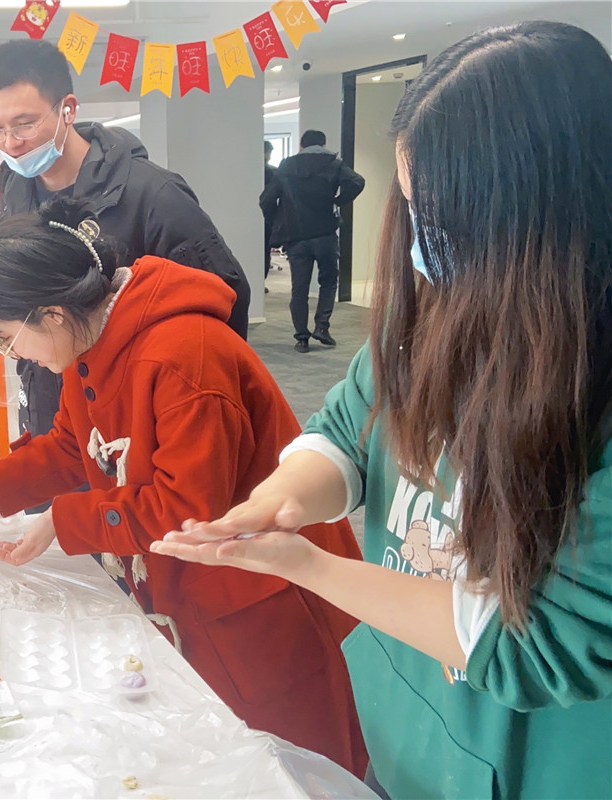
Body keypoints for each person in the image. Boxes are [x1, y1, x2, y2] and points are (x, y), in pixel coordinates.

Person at [156, 22, 612, 799]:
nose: (420, 247)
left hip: (520, 757)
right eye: (412, 209)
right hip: (406, 717)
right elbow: (345, 424)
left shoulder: (586, 394)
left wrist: (311, 567)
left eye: (441, 217)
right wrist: (282, 499)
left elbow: (539, 646)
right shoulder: (437, 316)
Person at [0, 200, 368, 778]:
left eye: (10, 341)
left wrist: (63, 521)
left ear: (53, 315)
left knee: (292, 765)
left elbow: (186, 507)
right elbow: (73, 445)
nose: (20, 359)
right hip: (194, 584)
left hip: (259, 591)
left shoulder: (183, 356)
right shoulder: (91, 344)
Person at [0, 39, 250, 439]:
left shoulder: (152, 195)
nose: (11, 143)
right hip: (52, 400)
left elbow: (224, 299)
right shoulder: (16, 186)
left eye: (24, 124)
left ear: (68, 108)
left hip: (137, 414)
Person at [260, 130, 364, 353]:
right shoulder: (333, 164)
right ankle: (322, 327)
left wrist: (278, 219)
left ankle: (301, 338)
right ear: (323, 144)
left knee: (299, 288)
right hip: (325, 234)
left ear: (300, 145)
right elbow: (357, 182)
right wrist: (339, 200)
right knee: (328, 282)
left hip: (297, 238)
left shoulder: (286, 167)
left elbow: (266, 199)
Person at [262, 140, 278, 291]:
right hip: (267, 217)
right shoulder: (274, 172)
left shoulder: (243, 169)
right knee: (264, 252)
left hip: (251, 215)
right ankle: (261, 282)